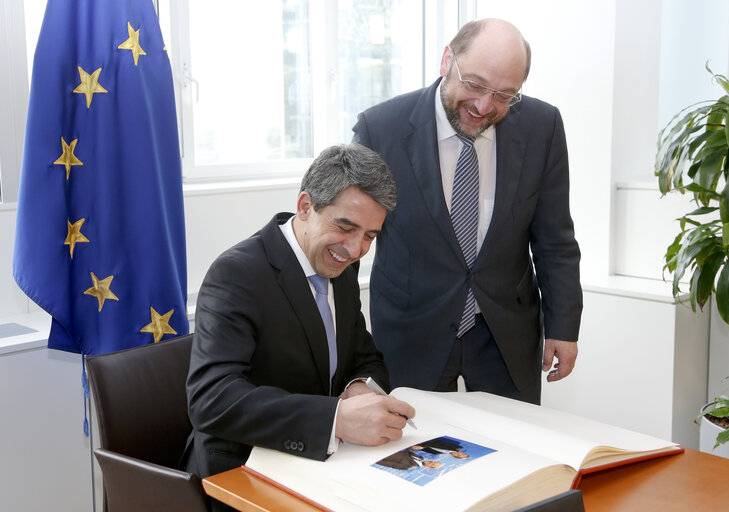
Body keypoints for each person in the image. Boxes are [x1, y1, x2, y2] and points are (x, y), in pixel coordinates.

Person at [352, 18, 582, 404]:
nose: (484, 106)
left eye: (505, 95)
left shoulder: (543, 127)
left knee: (515, 451)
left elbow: (555, 240)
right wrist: (349, 356)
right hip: (412, 331)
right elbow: (348, 239)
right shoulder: (381, 130)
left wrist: (564, 326)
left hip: (506, 333)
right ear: (447, 60)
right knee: (413, 456)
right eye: (474, 85)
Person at [181, 144, 416, 506]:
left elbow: (364, 357)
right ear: (305, 206)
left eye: (370, 236)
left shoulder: (339, 265)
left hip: (323, 465)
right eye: (346, 227)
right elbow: (212, 400)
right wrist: (335, 419)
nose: (355, 250)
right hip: (240, 473)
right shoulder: (237, 274)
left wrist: (357, 389)